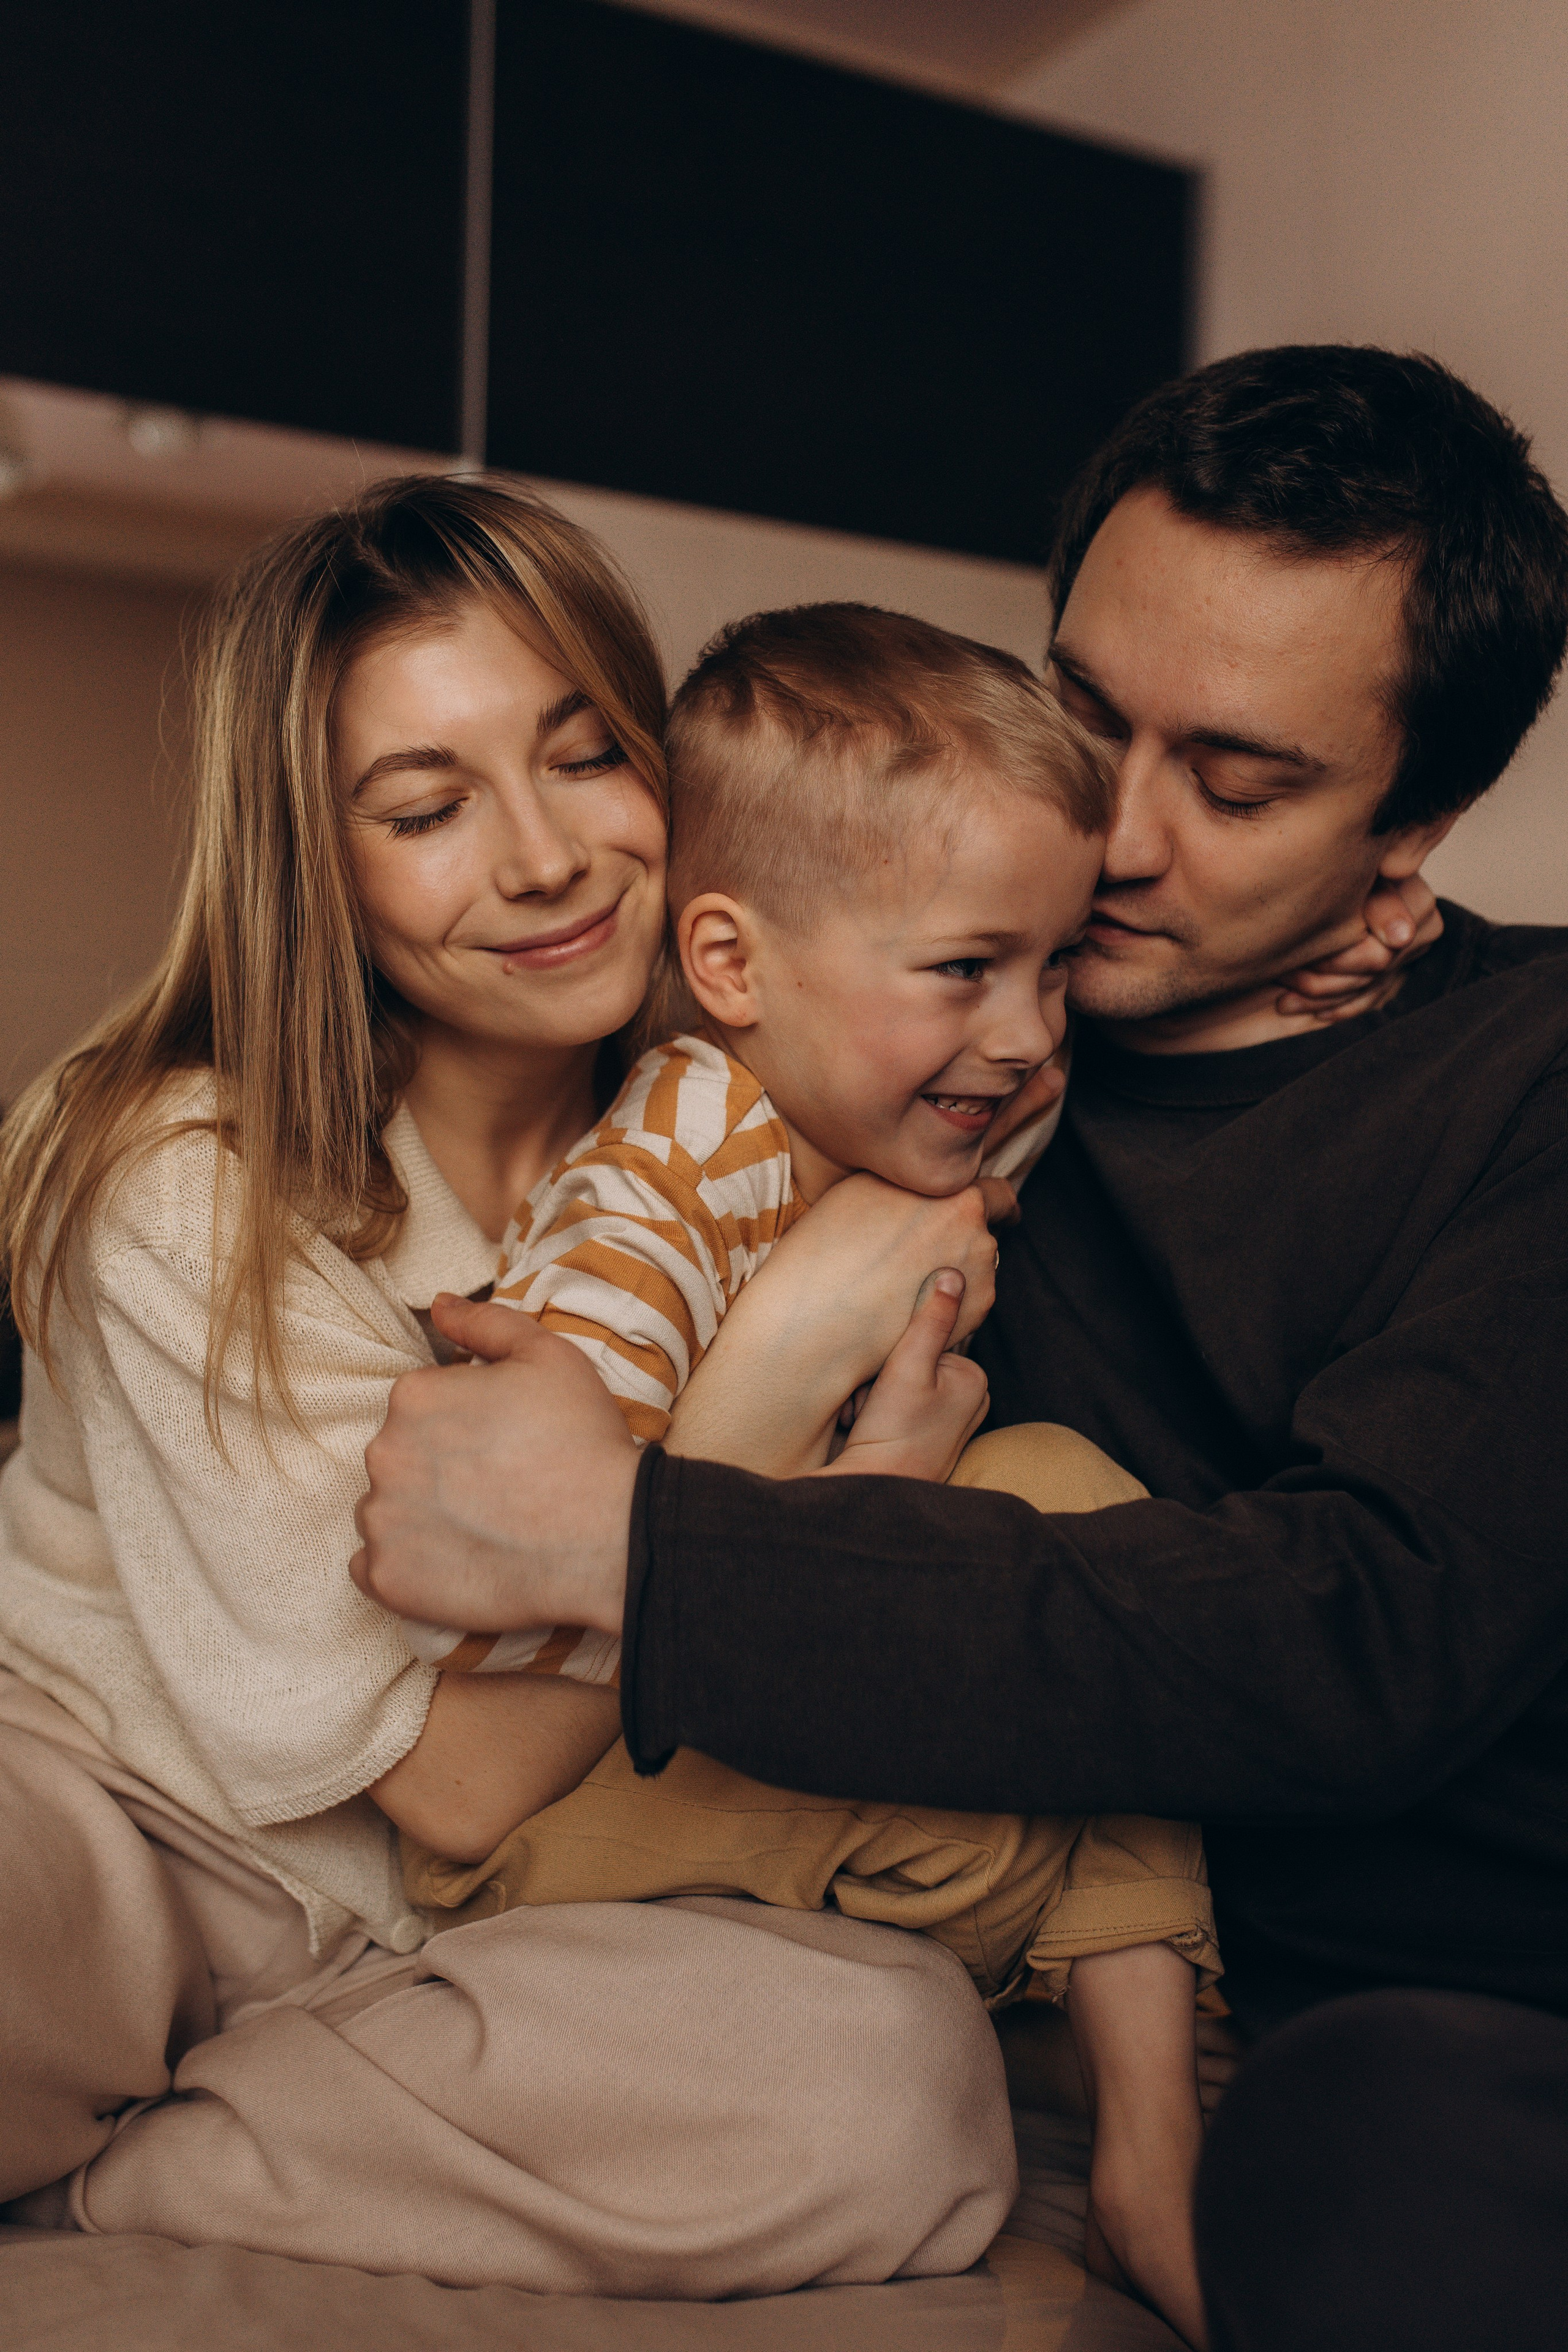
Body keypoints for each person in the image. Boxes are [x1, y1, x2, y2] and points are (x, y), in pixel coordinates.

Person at [352, 345, 1568, 2349]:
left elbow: (1369, 1636)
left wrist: (632, 1542)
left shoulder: (1524, 1078)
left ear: (1417, 821)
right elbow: (662, 925)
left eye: (1239, 785)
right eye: (1086, 716)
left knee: (1390, 2147)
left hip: (1474, 2007)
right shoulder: (921, 1046)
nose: (1121, 836)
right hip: (1079, 1964)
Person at [0, 473, 1022, 2294]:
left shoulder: (739, 1118)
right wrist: (766, 1398)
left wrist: (1311, 952)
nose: (544, 859)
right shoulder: (180, 1173)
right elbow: (455, 1779)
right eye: (427, 808)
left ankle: (143, 2164)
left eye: (584, 756)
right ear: (314, 860)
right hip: (121, 1826)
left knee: (898, 2085)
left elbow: (1013, 980)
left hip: (464, 1935)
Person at [398, 603, 1219, 2343]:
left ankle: (1145, 2133)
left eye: (1057, 965)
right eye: (969, 968)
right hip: (553, 1826)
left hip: (725, 1751)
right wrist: (863, 1504)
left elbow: (1013, 1096)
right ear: (733, 966)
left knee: (1082, 1512)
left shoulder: (887, 1101)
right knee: (1079, 1581)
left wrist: (1331, 951)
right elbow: (538, 1592)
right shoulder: (662, 1191)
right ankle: (1131, 2100)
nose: (1031, 1034)